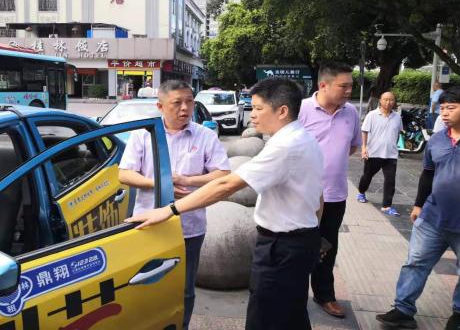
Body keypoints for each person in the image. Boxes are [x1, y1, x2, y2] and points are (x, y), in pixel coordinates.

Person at [126, 77, 324, 330]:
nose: (252, 114)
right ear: (160, 106)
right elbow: (319, 197)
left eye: (258, 108)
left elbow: (226, 184)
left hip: (282, 246)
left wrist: (169, 210)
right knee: (290, 313)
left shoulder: (286, 146)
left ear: (282, 111)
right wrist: (313, 234)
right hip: (296, 241)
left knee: (268, 317)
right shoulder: (302, 139)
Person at [376, 86, 460, 330]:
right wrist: (418, 205)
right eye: (442, 108)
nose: (444, 113)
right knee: (415, 263)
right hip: (432, 217)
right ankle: (403, 310)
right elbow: (427, 174)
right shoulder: (437, 139)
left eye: (451, 108)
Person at [118, 79, 230, 330]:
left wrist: (189, 180)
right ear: (160, 106)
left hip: (189, 227)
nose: (185, 108)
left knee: (184, 288)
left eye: (189, 102)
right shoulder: (143, 135)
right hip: (149, 225)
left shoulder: (205, 136)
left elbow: (223, 174)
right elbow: (124, 174)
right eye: (177, 103)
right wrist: (159, 184)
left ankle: (182, 325)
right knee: (145, 283)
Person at [298, 62, 362, 318]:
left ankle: (324, 295)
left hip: (335, 194)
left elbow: (352, 147)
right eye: (343, 86)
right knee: (298, 245)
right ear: (323, 85)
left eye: (351, 86)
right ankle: (292, 295)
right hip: (302, 195)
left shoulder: (351, 112)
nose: (349, 91)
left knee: (327, 246)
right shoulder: (301, 109)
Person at [356, 91, 404, 216]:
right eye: (385, 99)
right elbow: (364, 131)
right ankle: (361, 192)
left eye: (391, 100)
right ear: (380, 101)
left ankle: (387, 206)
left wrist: (393, 146)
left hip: (391, 155)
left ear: (394, 102)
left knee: (390, 180)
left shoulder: (397, 117)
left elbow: (398, 133)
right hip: (373, 153)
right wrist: (364, 148)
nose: (388, 102)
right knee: (367, 176)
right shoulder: (372, 115)